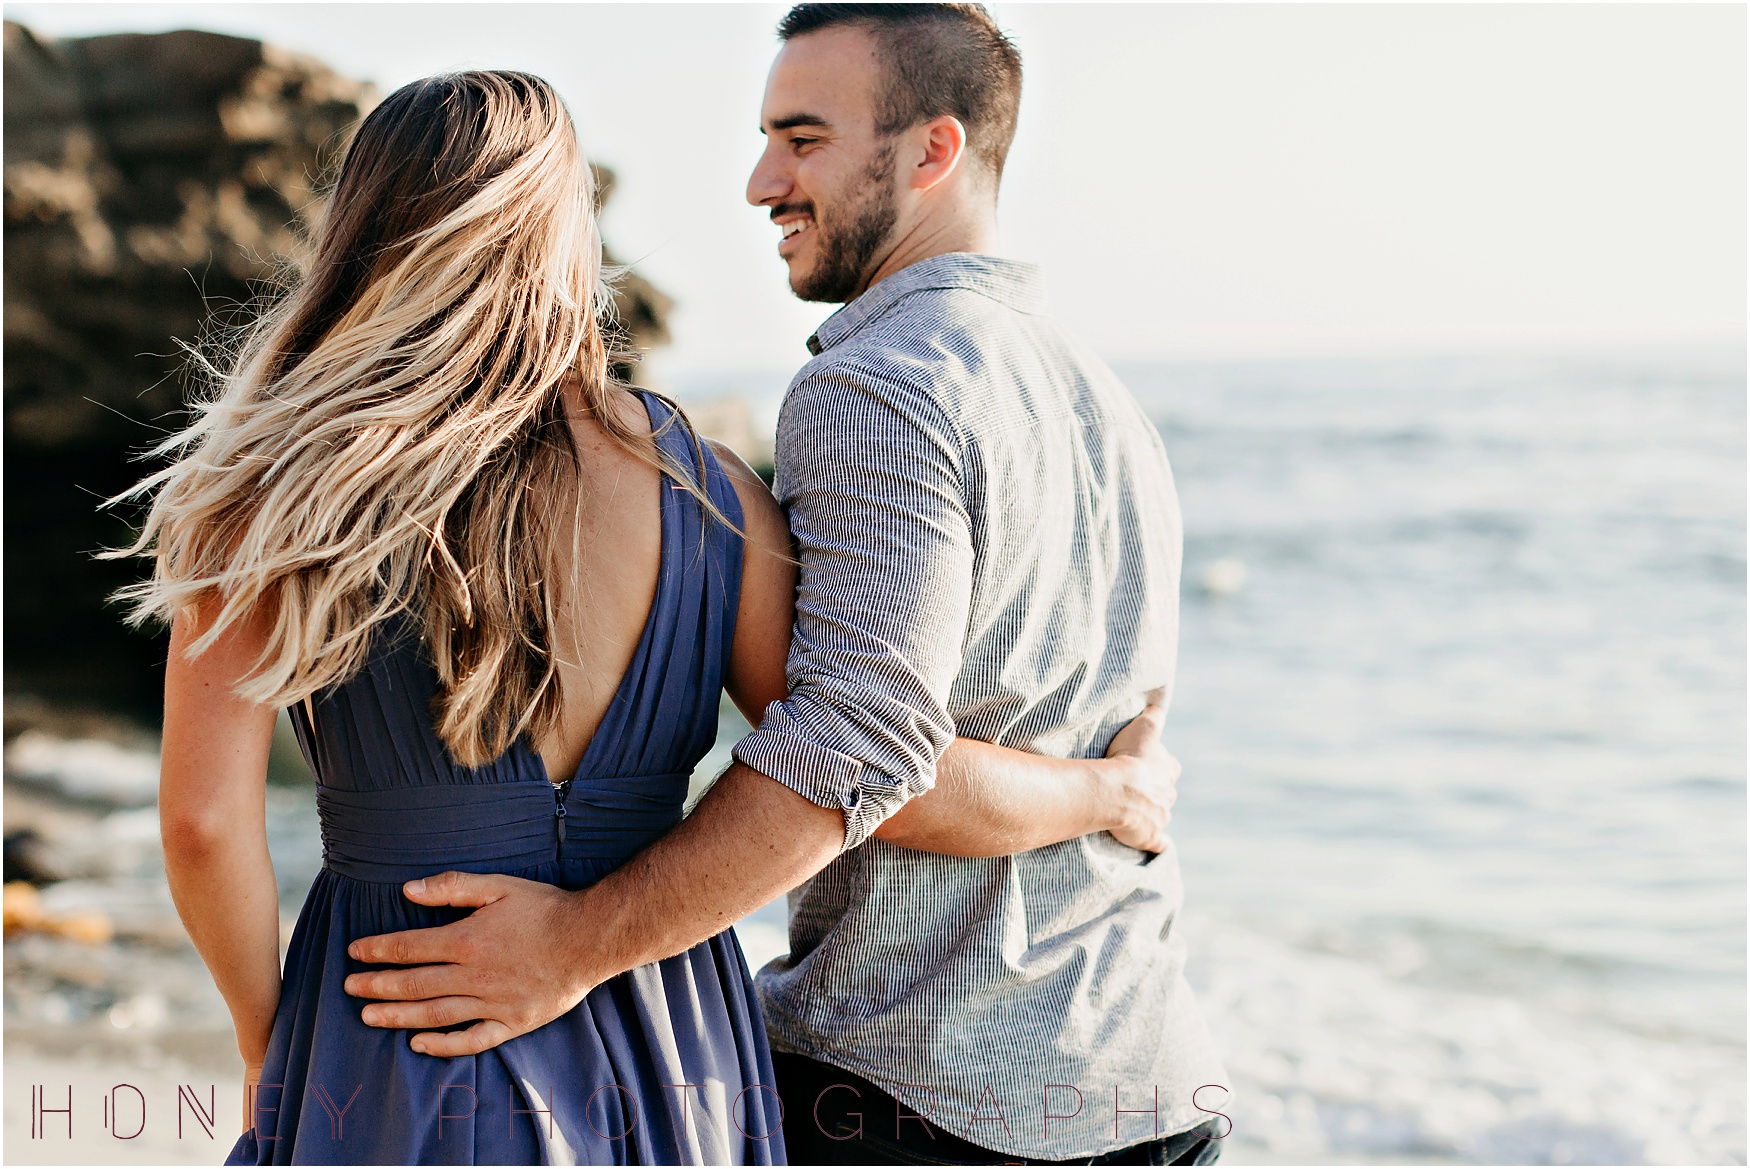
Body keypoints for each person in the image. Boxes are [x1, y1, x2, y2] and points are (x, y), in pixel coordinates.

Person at [123, 67, 1181, 1165]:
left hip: (397, 1017)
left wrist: (271, 1039)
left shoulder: (270, 496)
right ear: (564, 238)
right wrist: (1101, 791)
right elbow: (861, 774)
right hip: (667, 1030)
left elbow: (203, 824)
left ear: (363, 231)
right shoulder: (711, 491)